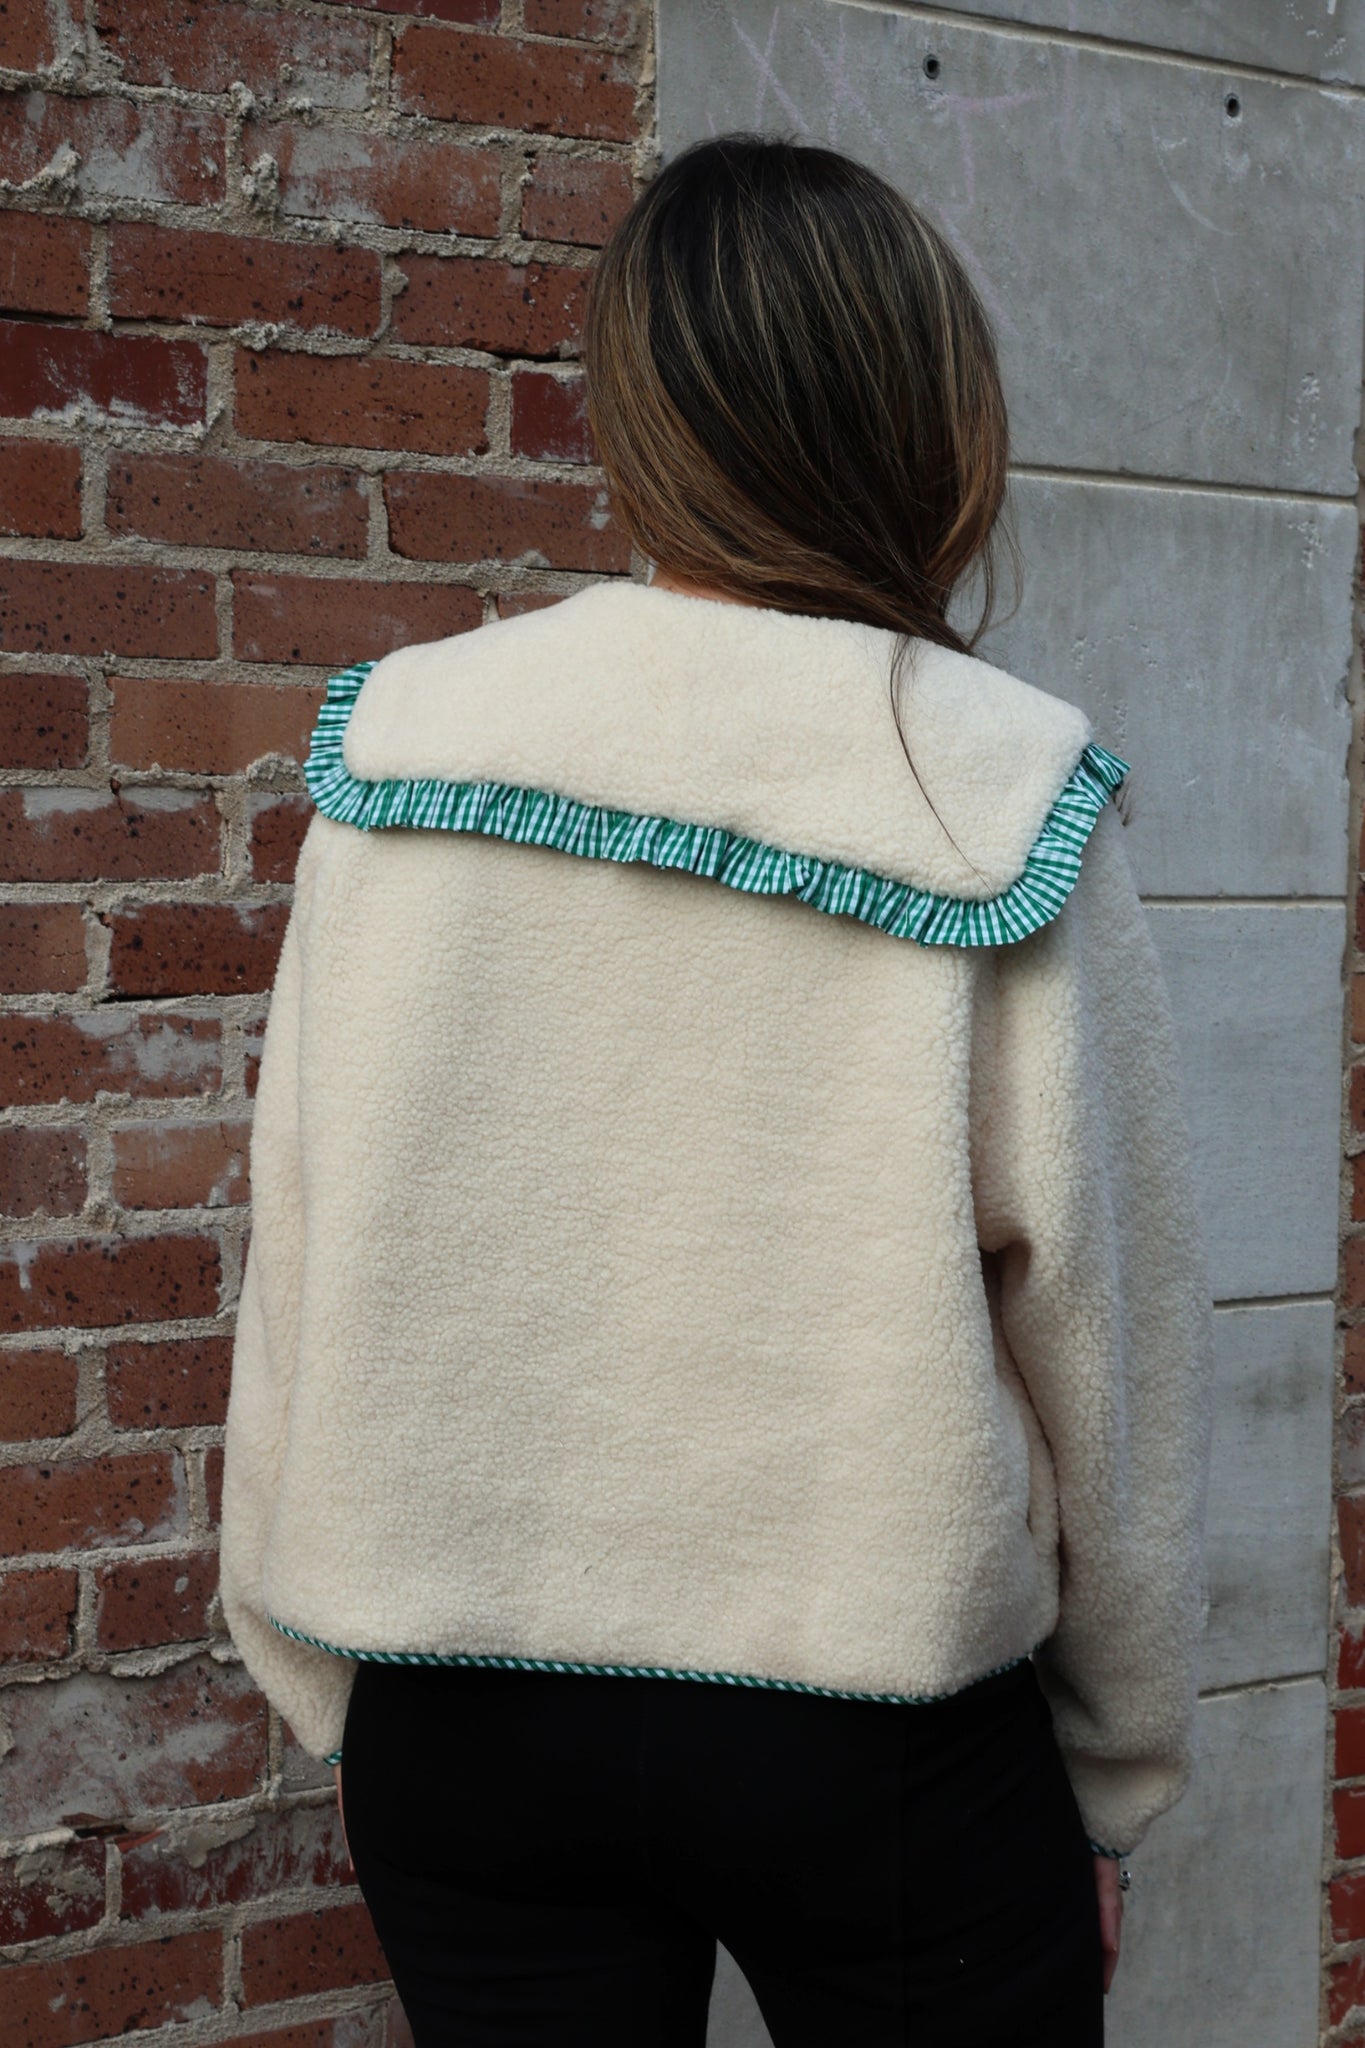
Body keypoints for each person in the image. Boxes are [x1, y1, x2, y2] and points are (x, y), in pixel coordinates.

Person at [220, 133, 1214, 2047]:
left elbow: (308, 1232)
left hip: (462, 1712)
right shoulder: (994, 786)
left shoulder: (409, 741)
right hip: (879, 1743)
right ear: (930, 412)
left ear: (637, 417)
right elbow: (1110, 1339)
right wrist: (1113, 1768)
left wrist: (321, 1663)